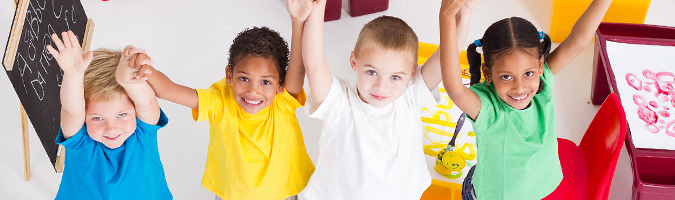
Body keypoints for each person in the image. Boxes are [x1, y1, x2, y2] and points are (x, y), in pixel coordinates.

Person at [291, 0, 478, 199]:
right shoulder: (339, 103)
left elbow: (447, 57)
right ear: (354, 61)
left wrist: (465, 11)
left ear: (411, 73)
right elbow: (314, 64)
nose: (381, 86)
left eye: (395, 77)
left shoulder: (410, 95)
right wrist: (318, 6)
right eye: (372, 72)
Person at [438, 0, 614, 199]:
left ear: (540, 66)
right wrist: (446, 17)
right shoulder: (487, 108)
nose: (520, 87)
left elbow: (578, 40)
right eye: (506, 77)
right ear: (487, 74)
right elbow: (454, 88)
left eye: (528, 73)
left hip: (535, 188)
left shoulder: (542, 82)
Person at [133, 14, 313, 200]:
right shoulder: (219, 101)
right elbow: (169, 90)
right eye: (244, 78)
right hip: (232, 195)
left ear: (280, 84)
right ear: (229, 74)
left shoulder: (282, 100)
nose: (253, 91)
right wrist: (147, 70)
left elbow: (298, 69)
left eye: (265, 82)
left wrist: (298, 21)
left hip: (282, 194)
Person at [48, 31, 171, 199]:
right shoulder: (80, 141)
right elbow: (72, 110)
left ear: (134, 108)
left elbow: (147, 102)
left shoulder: (143, 131)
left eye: (121, 114)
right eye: (97, 118)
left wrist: (127, 78)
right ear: (84, 115)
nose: (111, 128)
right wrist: (73, 75)